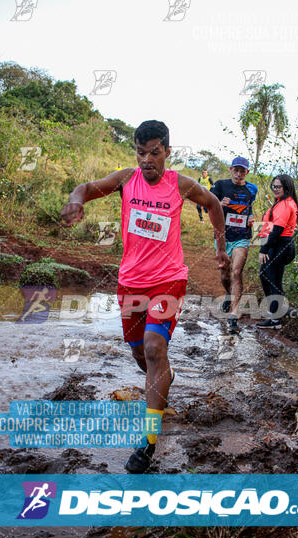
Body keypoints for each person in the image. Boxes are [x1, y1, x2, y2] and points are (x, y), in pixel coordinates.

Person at [61, 120, 229, 473]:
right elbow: (88, 187)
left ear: (168, 151)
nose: (147, 160)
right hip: (131, 282)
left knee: (154, 347)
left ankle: (148, 441)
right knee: (142, 354)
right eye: (141, 153)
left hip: (168, 279)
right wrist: (76, 200)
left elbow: (213, 204)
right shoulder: (126, 180)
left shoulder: (180, 184)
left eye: (154, 152)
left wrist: (220, 247)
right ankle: (163, 378)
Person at [210, 157, 257, 333]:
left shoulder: (252, 189)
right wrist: (220, 205)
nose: (238, 174)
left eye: (242, 171)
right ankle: (228, 295)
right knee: (225, 272)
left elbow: (248, 208)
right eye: (236, 170)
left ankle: (234, 314)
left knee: (237, 272)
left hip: (242, 236)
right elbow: (208, 207)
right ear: (230, 169)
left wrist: (251, 218)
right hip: (223, 236)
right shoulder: (220, 186)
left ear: (247, 172)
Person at [256, 174, 298, 329]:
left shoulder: (286, 204)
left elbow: (277, 231)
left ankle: (275, 319)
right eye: (273, 186)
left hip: (281, 245)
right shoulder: (280, 202)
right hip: (276, 244)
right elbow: (269, 226)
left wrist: (264, 249)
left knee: (272, 280)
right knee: (265, 276)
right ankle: (273, 311)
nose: (275, 189)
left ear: (286, 187)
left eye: (278, 186)